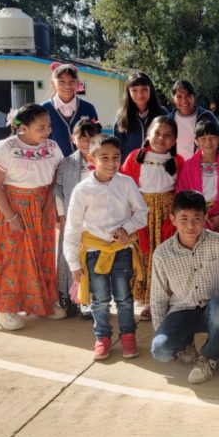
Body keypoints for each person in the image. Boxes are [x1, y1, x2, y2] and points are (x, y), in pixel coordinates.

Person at [151, 191, 219, 384]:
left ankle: (209, 357)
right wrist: (164, 332)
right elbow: (158, 297)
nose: (191, 226)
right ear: (173, 219)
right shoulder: (162, 254)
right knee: (160, 350)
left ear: (205, 219)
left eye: (196, 219)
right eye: (184, 219)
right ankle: (186, 343)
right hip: (182, 310)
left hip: (214, 310)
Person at [0, 104, 65, 330]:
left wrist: (47, 207)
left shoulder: (52, 147)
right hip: (10, 207)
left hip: (41, 205)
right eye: (41, 127)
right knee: (11, 258)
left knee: (41, 255)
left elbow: (55, 177)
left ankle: (41, 303)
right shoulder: (5, 148)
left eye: (49, 126)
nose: (47, 132)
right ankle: (8, 309)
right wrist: (12, 218)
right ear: (23, 128)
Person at [63, 135, 148, 360]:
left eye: (116, 157)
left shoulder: (126, 183)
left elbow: (142, 213)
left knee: (124, 297)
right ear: (92, 158)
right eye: (105, 158)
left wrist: (126, 229)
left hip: (121, 250)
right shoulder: (82, 190)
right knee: (99, 299)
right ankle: (102, 337)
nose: (111, 163)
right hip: (94, 253)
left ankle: (128, 335)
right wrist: (73, 263)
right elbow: (72, 228)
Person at [120, 116, 185, 321]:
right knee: (144, 257)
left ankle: (167, 299)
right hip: (141, 214)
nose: (161, 138)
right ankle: (149, 301)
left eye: (167, 135)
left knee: (166, 257)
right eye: (157, 133)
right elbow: (123, 188)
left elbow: (180, 190)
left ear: (174, 140)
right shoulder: (134, 158)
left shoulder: (178, 161)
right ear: (148, 134)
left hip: (167, 216)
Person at [55, 118, 102, 318]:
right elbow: (57, 189)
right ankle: (69, 298)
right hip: (73, 219)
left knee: (93, 260)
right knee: (71, 258)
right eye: (80, 137)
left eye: (90, 137)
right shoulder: (67, 163)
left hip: (96, 219)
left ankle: (92, 301)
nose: (85, 141)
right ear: (73, 139)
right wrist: (61, 214)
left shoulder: (102, 160)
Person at [175, 119, 219, 233]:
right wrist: (200, 213)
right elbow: (181, 194)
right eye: (203, 138)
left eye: (213, 137)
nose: (208, 142)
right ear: (196, 141)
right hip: (195, 216)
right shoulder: (188, 166)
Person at [42, 63, 99, 156]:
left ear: (78, 83)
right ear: (53, 83)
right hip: (53, 163)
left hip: (84, 164)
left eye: (72, 81)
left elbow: (96, 137)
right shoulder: (44, 109)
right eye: (61, 81)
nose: (67, 86)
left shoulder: (88, 108)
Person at [114, 72, 170, 159]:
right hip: (129, 167)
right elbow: (117, 146)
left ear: (150, 90)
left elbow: (171, 140)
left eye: (144, 89)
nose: (140, 94)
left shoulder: (162, 113)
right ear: (128, 92)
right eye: (134, 90)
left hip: (156, 165)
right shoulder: (122, 115)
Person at [168, 80, 219, 160]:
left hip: (200, 168)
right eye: (179, 97)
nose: (184, 100)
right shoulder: (168, 120)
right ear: (173, 100)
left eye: (188, 96)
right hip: (175, 169)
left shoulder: (206, 116)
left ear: (195, 97)